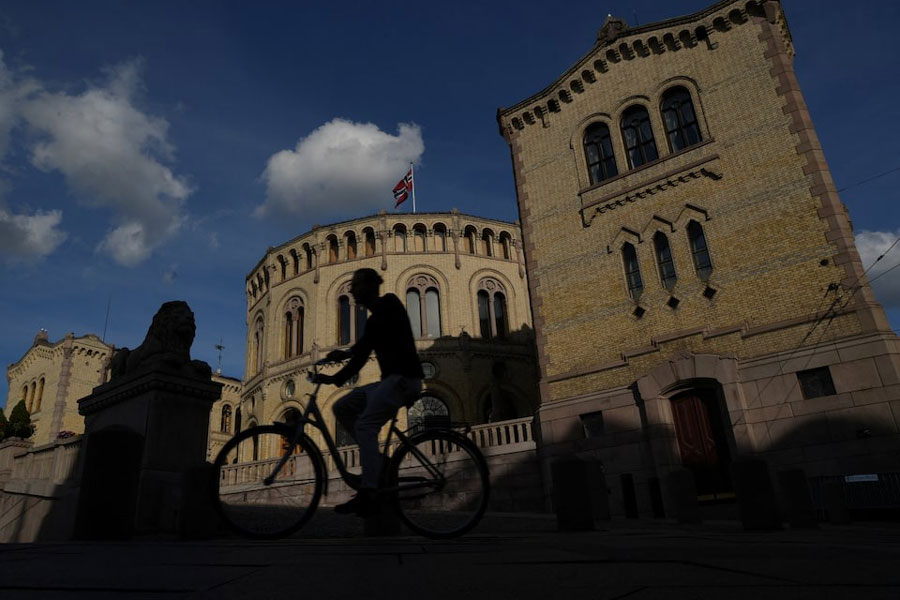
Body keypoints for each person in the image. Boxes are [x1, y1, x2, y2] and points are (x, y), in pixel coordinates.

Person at [312, 268, 424, 516]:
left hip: (404, 379)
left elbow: (363, 352)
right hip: (390, 381)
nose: (351, 290)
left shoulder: (390, 304)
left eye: (356, 285)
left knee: (365, 426)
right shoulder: (375, 319)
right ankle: (377, 463)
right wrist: (341, 360)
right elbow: (363, 349)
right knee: (341, 407)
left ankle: (369, 491)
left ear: (370, 286)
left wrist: (338, 373)